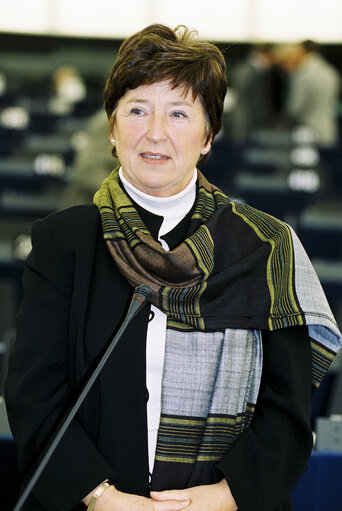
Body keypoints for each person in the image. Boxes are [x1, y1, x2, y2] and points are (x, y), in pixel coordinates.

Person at [5, 24, 342, 511]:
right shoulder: (65, 241)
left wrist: (225, 497)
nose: (155, 132)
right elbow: (34, 395)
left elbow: (286, 411)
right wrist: (101, 498)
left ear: (208, 134)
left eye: (179, 113)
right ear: (113, 129)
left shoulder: (266, 245)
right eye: (138, 110)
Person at [280, 40, 341, 147]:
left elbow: (294, 108)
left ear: (303, 52)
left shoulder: (303, 75)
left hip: (307, 131)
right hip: (328, 128)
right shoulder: (331, 72)